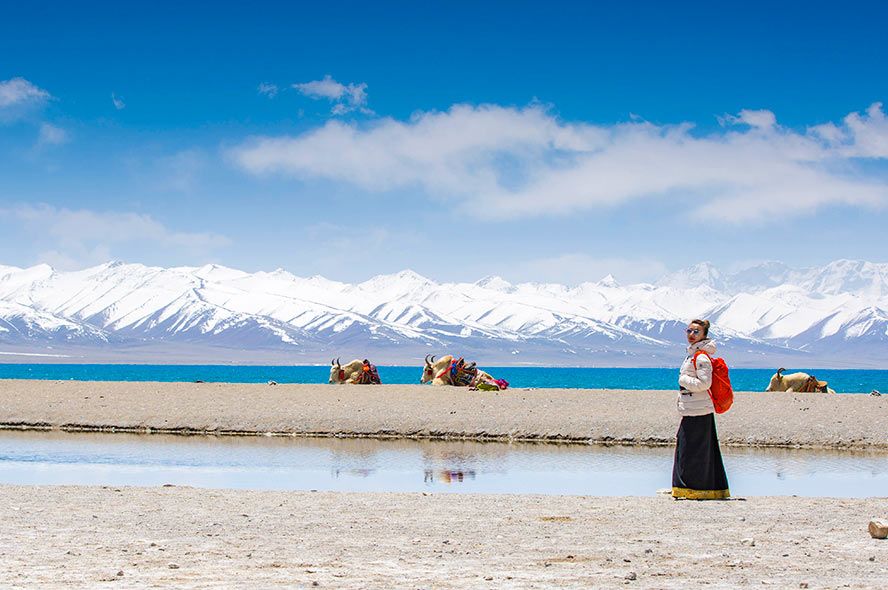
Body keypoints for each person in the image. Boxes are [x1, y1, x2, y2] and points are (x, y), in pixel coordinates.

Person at [672, 319, 730, 500]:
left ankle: (695, 487)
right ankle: (690, 487)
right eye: (689, 331)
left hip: (698, 409)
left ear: (704, 335)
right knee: (689, 447)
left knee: (693, 449)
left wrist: (683, 380)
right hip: (693, 408)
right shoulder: (692, 355)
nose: (691, 334)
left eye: (696, 332)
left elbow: (704, 383)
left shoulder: (701, 357)